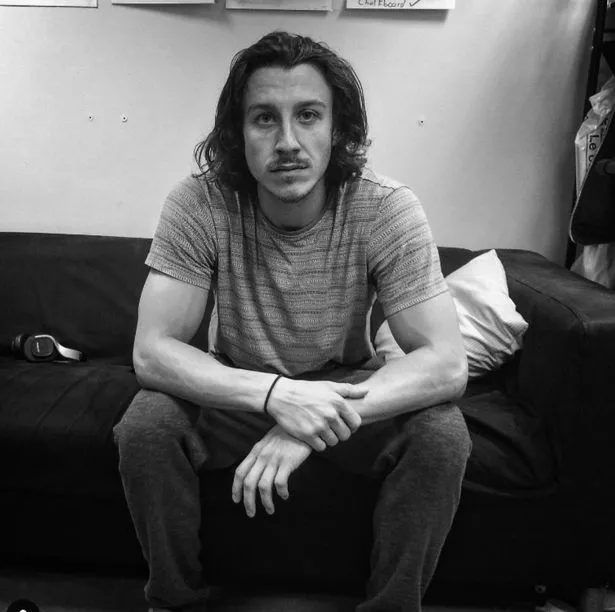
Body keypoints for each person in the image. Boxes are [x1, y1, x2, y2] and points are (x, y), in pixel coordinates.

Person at [113, 30, 472, 612]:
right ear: (238, 134)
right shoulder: (200, 203)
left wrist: (309, 419)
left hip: (344, 385)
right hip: (239, 386)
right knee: (146, 425)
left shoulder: (385, 207)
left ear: (337, 129)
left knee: (443, 434)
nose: (287, 142)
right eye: (264, 118)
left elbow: (447, 363)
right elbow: (152, 351)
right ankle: (174, 601)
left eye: (308, 115)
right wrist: (276, 396)